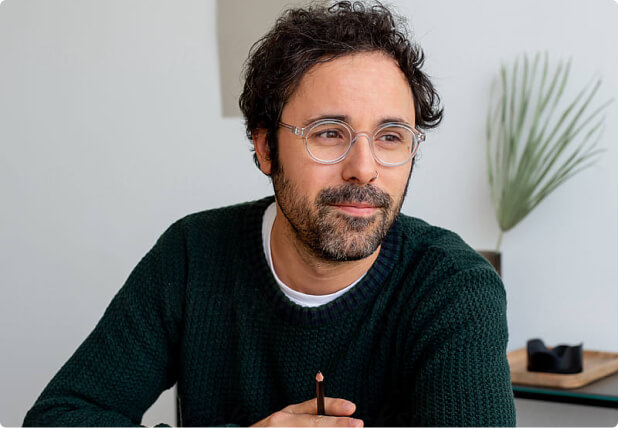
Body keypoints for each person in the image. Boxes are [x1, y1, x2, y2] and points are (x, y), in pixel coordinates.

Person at [23, 1, 516, 426]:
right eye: (329, 133)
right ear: (265, 148)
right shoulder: (193, 255)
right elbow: (59, 417)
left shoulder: (453, 287)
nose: (364, 169)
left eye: (391, 137)